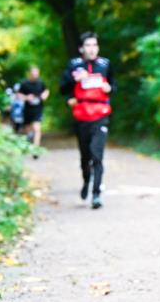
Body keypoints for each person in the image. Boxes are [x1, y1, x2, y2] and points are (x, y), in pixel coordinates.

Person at [59, 31, 115, 209]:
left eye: (94, 45)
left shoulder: (105, 65)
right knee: (85, 157)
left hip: (100, 115)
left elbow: (113, 85)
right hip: (82, 116)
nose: (92, 49)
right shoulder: (74, 65)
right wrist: (73, 85)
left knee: (97, 155)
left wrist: (109, 88)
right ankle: (86, 181)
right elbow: (63, 88)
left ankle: (96, 194)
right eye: (88, 45)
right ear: (81, 48)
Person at [15, 66, 50, 155]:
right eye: (33, 73)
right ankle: (29, 142)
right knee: (28, 130)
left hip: (38, 110)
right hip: (27, 110)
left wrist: (44, 96)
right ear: (30, 74)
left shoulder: (41, 83)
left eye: (37, 73)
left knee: (37, 128)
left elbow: (46, 91)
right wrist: (26, 97)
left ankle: (36, 149)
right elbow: (18, 95)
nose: (35, 75)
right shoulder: (24, 84)